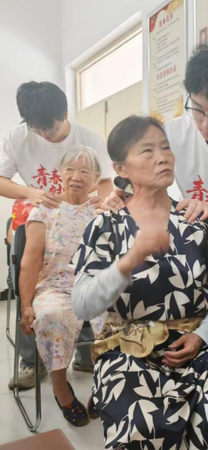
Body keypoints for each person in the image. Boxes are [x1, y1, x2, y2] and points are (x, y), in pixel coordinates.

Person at [103, 45, 208, 448]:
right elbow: (136, 173)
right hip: (193, 234)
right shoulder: (175, 132)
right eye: (197, 109)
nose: (205, 123)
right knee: (182, 310)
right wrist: (119, 194)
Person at [71, 116, 208, 449]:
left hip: (195, 349)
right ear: (121, 168)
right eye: (147, 151)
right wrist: (129, 260)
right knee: (142, 424)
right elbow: (82, 305)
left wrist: (202, 335)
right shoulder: (106, 225)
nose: (162, 157)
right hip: (128, 351)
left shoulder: (194, 218)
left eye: (166, 148)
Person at [0, 81, 114, 391]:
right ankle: (32, 361)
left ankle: (86, 354)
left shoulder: (88, 138)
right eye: (36, 129)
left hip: (79, 214)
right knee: (29, 272)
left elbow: (106, 181)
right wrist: (30, 192)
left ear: (65, 114)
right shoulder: (17, 138)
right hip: (40, 215)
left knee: (87, 270)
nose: (44, 134)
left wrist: (101, 203)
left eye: (49, 128)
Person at [19, 146, 105, 426]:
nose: (76, 176)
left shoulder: (102, 211)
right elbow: (30, 261)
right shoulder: (44, 210)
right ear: (60, 173)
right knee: (52, 316)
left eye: (84, 171)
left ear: (96, 178)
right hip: (54, 287)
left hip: (97, 286)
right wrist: (26, 305)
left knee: (119, 318)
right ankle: (60, 387)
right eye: (70, 169)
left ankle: (106, 382)